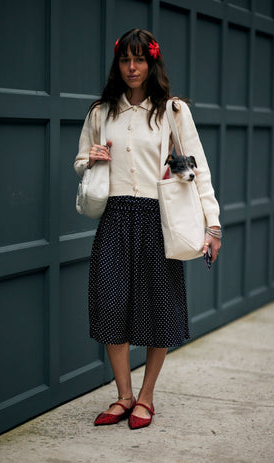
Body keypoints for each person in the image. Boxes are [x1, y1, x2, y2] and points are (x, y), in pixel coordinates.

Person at [74, 28, 221, 429]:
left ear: (152, 63)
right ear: (117, 64)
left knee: (160, 309)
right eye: (125, 59)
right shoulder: (100, 112)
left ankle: (146, 396)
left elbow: (199, 169)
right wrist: (90, 157)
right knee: (110, 304)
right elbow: (79, 162)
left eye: (140, 59)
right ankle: (123, 395)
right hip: (116, 218)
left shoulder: (172, 111)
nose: (132, 67)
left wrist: (214, 225)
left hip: (158, 219)